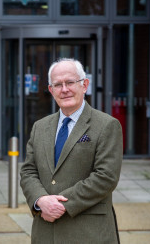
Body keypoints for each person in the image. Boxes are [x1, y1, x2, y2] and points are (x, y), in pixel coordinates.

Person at [20, 58, 123, 244]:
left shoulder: (107, 125)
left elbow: (106, 177)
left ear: (85, 85)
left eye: (70, 82)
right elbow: (28, 171)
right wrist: (40, 200)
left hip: (88, 232)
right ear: (51, 91)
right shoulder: (40, 127)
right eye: (57, 84)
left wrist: (59, 205)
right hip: (45, 232)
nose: (64, 89)